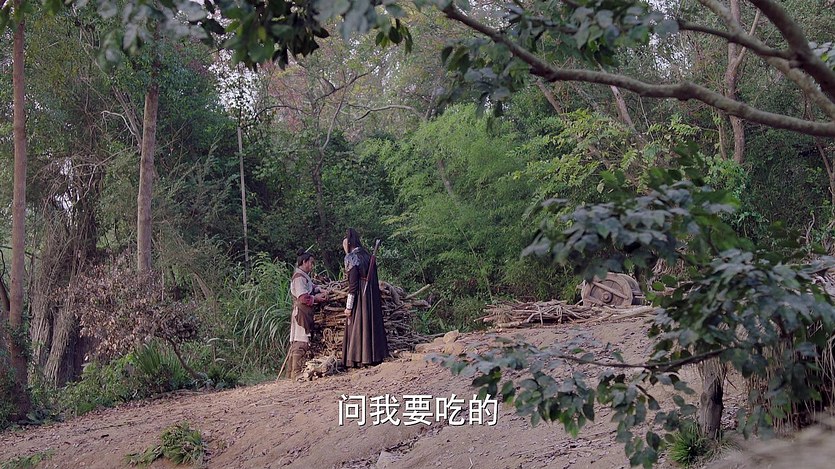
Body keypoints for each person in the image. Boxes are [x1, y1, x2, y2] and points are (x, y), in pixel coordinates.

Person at [341, 228, 388, 368]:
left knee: (356, 324)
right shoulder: (367, 255)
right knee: (369, 323)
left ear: (349, 243)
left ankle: (358, 358)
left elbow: (353, 286)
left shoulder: (351, 258)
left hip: (360, 297)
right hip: (371, 297)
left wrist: (349, 307)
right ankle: (372, 356)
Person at [287, 250, 328, 379]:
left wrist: (319, 289)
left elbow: (311, 287)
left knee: (299, 340)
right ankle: (296, 372)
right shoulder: (299, 278)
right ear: (304, 262)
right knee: (301, 341)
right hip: (301, 312)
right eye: (311, 263)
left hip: (304, 312)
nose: (312, 265)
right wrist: (316, 298)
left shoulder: (303, 276)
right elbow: (303, 297)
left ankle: (290, 372)